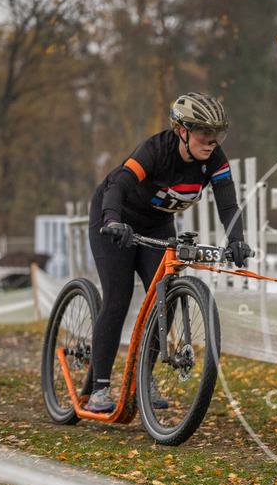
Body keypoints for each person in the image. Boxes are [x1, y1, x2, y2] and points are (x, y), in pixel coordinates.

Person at [84, 92, 252, 412]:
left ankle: (143, 377)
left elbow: (228, 203)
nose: (212, 141)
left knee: (166, 297)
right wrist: (112, 221)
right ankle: (99, 389)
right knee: (118, 299)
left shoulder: (215, 159)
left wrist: (237, 240)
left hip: (158, 225)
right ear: (182, 131)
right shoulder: (155, 151)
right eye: (204, 133)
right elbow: (118, 183)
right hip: (116, 219)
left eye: (218, 134)